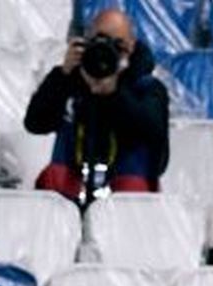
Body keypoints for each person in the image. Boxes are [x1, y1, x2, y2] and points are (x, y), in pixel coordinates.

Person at [24, 7, 171, 201]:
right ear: (87, 41)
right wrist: (62, 76)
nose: (107, 53)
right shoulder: (70, 80)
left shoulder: (147, 88)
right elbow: (35, 123)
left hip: (125, 207)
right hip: (68, 201)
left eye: (118, 46)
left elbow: (155, 138)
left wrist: (113, 94)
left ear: (132, 47)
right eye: (99, 42)